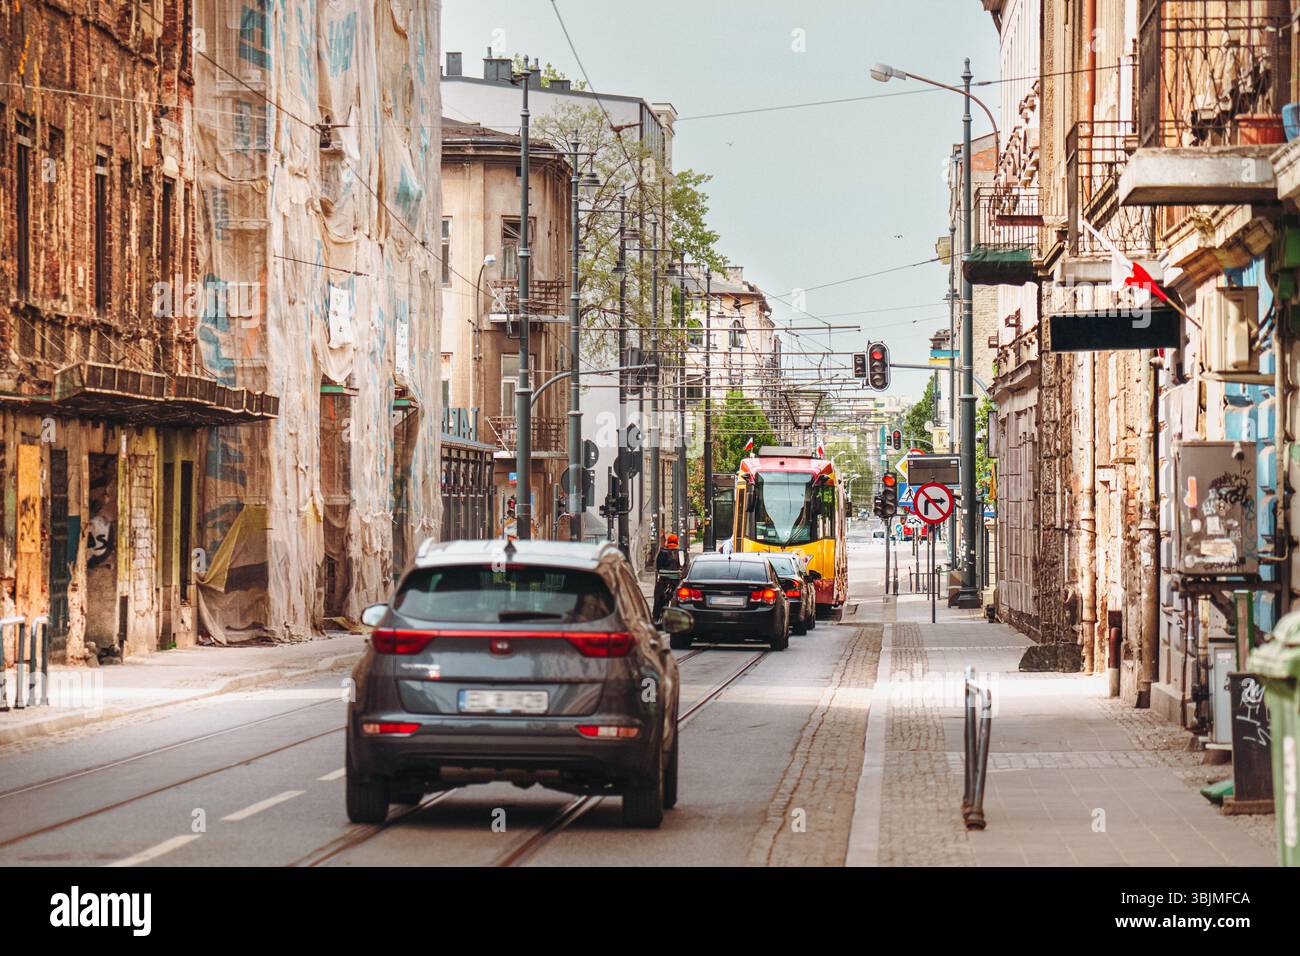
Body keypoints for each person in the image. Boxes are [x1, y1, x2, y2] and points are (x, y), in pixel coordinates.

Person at [652, 533, 683, 620]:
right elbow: (684, 567)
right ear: (677, 542)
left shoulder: (662, 553)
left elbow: (658, 567)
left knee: (658, 597)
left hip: (663, 580)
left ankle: (656, 617)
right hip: (676, 581)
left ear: (667, 542)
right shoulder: (681, 553)